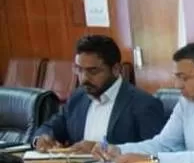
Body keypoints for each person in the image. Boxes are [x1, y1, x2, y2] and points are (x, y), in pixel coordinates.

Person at [32, 35, 165, 153]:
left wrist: (104, 149)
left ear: (116, 69)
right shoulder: (78, 97)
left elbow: (156, 151)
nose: (84, 78)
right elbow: (50, 127)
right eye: (79, 70)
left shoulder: (143, 104)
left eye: (93, 71)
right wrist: (41, 138)